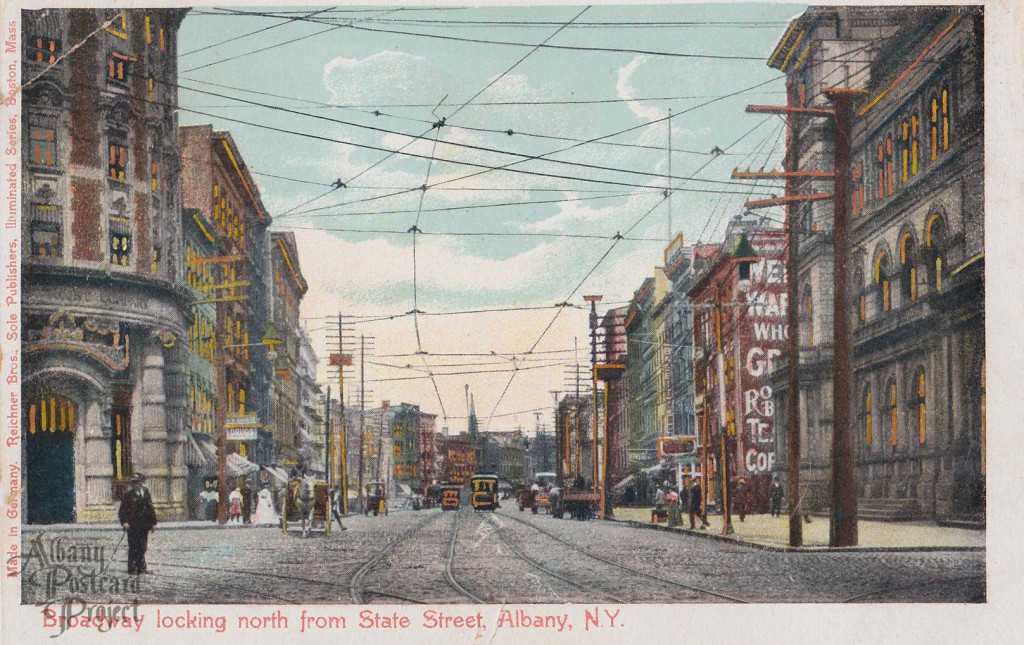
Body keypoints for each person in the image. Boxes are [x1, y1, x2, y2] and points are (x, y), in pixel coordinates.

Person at [119, 473, 157, 575]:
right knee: (133, 547)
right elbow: (122, 511)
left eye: (138, 482)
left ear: (142, 482)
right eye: (134, 483)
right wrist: (125, 522)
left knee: (143, 547)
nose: (137, 485)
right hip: (133, 525)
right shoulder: (128, 495)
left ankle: (142, 568)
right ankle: (132, 568)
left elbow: (150, 508)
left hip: (144, 525)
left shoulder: (146, 493)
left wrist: (153, 523)